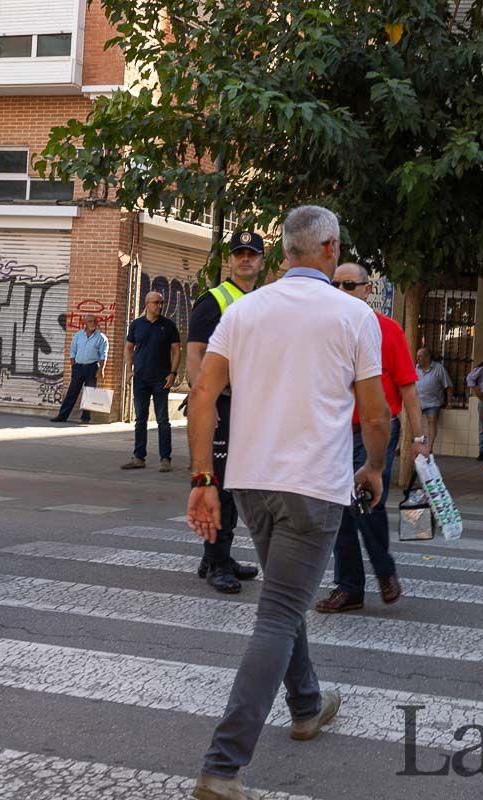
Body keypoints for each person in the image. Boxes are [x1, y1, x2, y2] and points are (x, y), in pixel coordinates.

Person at [185, 205, 391, 800]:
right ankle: (222, 767)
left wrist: (203, 476)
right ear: (329, 248)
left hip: (250, 480)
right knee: (277, 612)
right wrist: (375, 467)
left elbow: (203, 394)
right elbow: (374, 414)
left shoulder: (244, 310)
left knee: (283, 594)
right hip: (314, 486)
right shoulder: (355, 315)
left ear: (284, 252)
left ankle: (305, 706)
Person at [315, 262, 430, 614]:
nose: (341, 291)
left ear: (367, 290)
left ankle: (383, 571)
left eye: (350, 285)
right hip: (334, 430)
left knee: (365, 500)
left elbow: (409, 391)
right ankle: (350, 588)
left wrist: (420, 438)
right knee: (340, 508)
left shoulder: (387, 330)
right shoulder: (323, 331)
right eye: (335, 285)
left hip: (375, 429)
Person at [185, 230, 264, 594]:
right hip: (222, 405)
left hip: (246, 407)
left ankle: (216, 555)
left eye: (252, 254)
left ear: (262, 262)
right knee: (216, 482)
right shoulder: (214, 300)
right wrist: (208, 405)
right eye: (239, 253)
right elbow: (194, 356)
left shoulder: (263, 302)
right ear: (230, 260)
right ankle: (218, 564)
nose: (245, 259)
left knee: (234, 485)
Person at [122, 291, 181, 471]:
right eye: (156, 302)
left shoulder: (169, 326)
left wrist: (172, 373)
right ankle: (139, 457)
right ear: (147, 304)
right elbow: (128, 347)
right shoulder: (137, 325)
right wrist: (129, 370)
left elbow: (177, 350)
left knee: (162, 420)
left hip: (161, 379)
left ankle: (165, 459)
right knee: (141, 419)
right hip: (141, 378)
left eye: (161, 303)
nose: (160, 306)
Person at [51, 314, 108, 423]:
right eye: (90, 321)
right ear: (84, 323)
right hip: (78, 367)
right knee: (72, 392)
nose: (93, 323)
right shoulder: (78, 335)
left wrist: (101, 369)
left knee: (89, 393)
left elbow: (103, 355)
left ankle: (85, 418)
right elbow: (72, 351)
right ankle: (62, 416)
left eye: (94, 321)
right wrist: (74, 366)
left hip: (92, 368)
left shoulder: (101, 338)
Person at [415, 347, 453, 449]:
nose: (417, 358)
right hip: (418, 402)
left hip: (433, 402)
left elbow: (448, 386)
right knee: (411, 422)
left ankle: (429, 447)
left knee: (431, 420)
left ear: (427, 357)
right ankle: (411, 445)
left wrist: (449, 402)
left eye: (420, 356)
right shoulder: (415, 368)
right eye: (417, 356)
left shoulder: (439, 368)